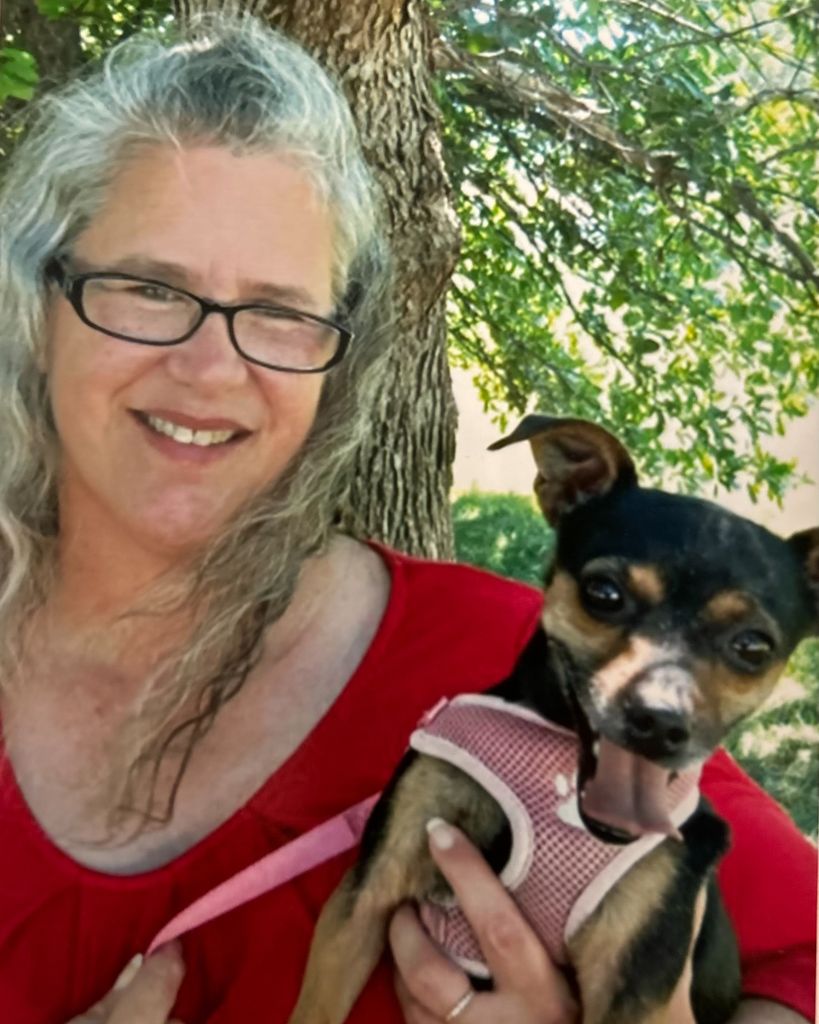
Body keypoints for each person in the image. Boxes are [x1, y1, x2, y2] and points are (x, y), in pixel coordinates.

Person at [0, 14, 814, 1024]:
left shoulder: (513, 671)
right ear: (34, 306)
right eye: (148, 288)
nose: (210, 369)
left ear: (338, 357)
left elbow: (805, 960)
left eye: (280, 311)